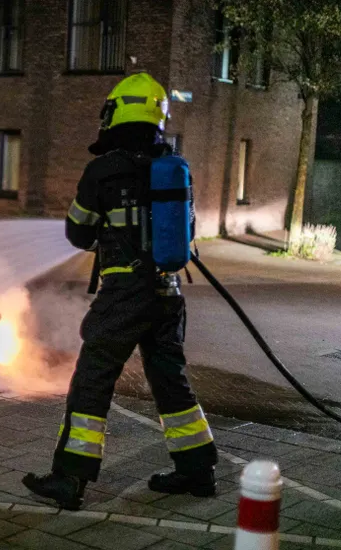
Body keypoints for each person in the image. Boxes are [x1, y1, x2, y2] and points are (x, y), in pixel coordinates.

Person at [22, 73, 217, 511]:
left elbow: (78, 231)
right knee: (170, 379)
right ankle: (198, 471)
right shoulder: (172, 166)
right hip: (168, 293)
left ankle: (70, 478)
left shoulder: (104, 170)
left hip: (125, 293)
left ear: (119, 111)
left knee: (93, 380)